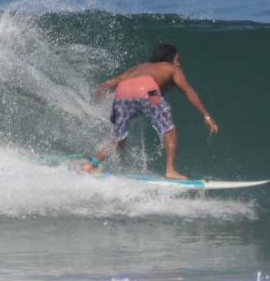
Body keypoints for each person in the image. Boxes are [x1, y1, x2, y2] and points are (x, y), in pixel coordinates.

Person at [83, 43, 218, 179]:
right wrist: (206, 115)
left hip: (122, 92)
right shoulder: (171, 68)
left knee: (119, 140)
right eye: (177, 60)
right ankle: (170, 170)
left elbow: (107, 85)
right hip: (149, 89)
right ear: (169, 58)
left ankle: (91, 164)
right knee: (168, 129)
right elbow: (187, 90)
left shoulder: (137, 68)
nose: (178, 64)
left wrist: (94, 102)